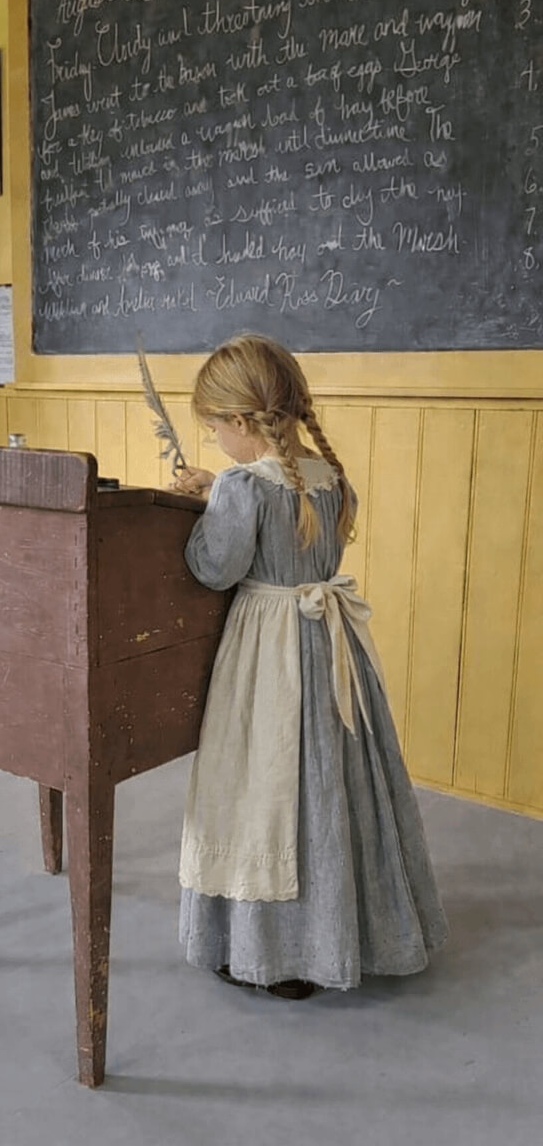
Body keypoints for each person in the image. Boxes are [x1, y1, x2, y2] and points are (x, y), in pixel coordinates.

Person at [171, 333, 448, 999]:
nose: (215, 444)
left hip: (269, 652)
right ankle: (342, 937)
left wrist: (209, 502)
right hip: (329, 646)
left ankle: (273, 955)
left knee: (267, 789)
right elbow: (277, 515)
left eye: (214, 430)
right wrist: (223, 490)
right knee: (333, 784)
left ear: (240, 422)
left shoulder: (242, 484)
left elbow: (216, 568)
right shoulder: (327, 477)